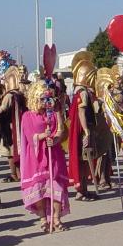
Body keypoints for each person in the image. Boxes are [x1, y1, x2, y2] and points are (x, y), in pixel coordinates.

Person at [20, 80, 70, 232]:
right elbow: (29, 137)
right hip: (36, 157)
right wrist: (42, 136)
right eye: (42, 98)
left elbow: (61, 130)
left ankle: (56, 218)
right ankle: (42, 218)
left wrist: (55, 139)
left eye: (47, 98)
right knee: (40, 187)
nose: (45, 101)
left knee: (56, 186)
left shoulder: (54, 113)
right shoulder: (27, 116)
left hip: (54, 154)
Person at [68, 51, 102, 201]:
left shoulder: (84, 92)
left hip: (85, 129)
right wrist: (87, 132)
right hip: (83, 130)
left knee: (85, 161)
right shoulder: (82, 93)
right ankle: (81, 191)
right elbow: (81, 113)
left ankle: (84, 190)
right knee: (83, 160)